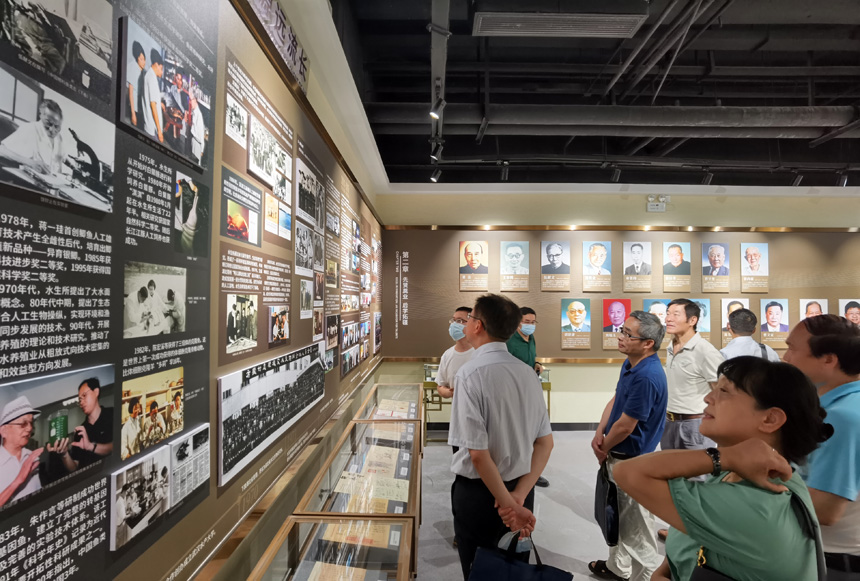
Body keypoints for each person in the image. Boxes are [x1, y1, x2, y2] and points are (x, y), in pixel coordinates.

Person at [614, 356, 831, 581]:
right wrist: (663, 572)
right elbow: (692, 540)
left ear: (770, 419)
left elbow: (628, 472)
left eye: (725, 391)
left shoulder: (756, 504)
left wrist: (727, 455)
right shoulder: (736, 474)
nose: (708, 397)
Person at [449, 294, 553, 579]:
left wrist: (506, 503)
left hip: (482, 495)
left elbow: (478, 455)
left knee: (479, 569)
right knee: (513, 569)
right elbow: (545, 442)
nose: (464, 324)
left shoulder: (469, 374)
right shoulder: (527, 374)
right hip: (521, 490)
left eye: (468, 318)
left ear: (478, 325)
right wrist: (517, 497)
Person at [589, 311, 667, 581]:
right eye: (622, 330)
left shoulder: (647, 375)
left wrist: (603, 447)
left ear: (648, 343)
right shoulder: (632, 363)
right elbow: (617, 398)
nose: (620, 337)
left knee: (637, 531)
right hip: (617, 454)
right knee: (618, 519)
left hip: (632, 461)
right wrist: (600, 430)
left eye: (627, 334)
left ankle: (647, 576)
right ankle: (617, 568)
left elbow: (625, 426)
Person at [784, 314, 860, 580]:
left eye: (792, 349)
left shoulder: (842, 417)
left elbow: (825, 508)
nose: (785, 358)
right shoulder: (838, 407)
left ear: (829, 359)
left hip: (835, 562)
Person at [658, 298, 724, 540]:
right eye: (668, 313)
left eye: (675, 314)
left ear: (692, 320)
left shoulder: (705, 351)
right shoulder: (670, 346)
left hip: (695, 425)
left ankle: (699, 536)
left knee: (697, 482)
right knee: (674, 480)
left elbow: (721, 391)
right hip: (670, 422)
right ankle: (679, 529)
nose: (668, 318)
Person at [51, 378, 113, 474]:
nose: (81, 402)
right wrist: (64, 454)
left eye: (84, 395)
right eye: (79, 399)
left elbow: (117, 445)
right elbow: (74, 467)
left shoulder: (113, 414)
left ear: (96, 392)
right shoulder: (80, 431)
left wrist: (90, 446)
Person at [0, 99, 70, 176]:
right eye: (48, 123)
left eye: (57, 126)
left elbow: (63, 157)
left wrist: (72, 166)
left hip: (52, 181)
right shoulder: (30, 128)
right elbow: (2, 150)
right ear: (41, 116)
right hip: (30, 179)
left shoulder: (59, 138)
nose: (52, 130)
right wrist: (30, 163)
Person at [0, 396, 43, 508]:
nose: (29, 428)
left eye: (31, 423)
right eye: (23, 423)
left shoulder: (32, 456)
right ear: (4, 431)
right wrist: (18, 480)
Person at [436, 307, 474, 400]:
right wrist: (450, 392)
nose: (454, 324)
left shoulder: (481, 353)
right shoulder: (447, 355)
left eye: (460, 321)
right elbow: (440, 386)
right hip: (457, 408)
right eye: (454, 320)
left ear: (473, 324)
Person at [143, 48, 165, 143]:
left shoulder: (149, 75)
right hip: (152, 130)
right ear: (156, 65)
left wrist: (160, 103)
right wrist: (159, 131)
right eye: (161, 68)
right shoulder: (152, 78)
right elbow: (153, 105)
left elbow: (153, 97)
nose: (162, 72)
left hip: (149, 127)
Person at [127, 41, 146, 128]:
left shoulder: (142, 71)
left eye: (144, 59)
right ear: (136, 58)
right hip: (134, 108)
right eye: (141, 59)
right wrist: (133, 114)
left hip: (140, 108)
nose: (144, 62)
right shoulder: (133, 68)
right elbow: (130, 93)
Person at [189, 95, 205, 164]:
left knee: (195, 163)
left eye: (191, 100)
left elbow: (201, 133)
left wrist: (201, 150)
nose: (190, 102)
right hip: (194, 140)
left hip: (197, 143)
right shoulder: (194, 112)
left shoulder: (199, 115)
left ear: (195, 100)